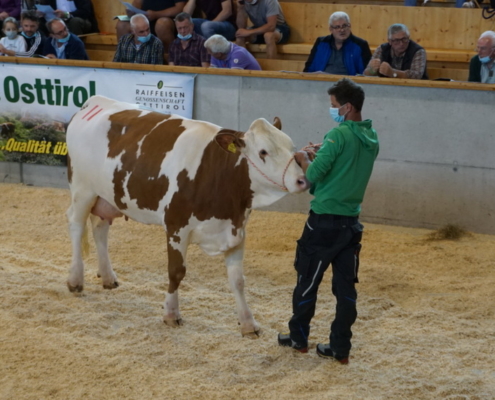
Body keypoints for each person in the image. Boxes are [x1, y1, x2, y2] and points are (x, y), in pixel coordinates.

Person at [278, 78, 379, 364]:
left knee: (307, 279)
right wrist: (323, 150)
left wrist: (302, 157)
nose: (331, 110)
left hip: (323, 222)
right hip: (351, 223)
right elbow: (345, 161)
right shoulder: (371, 137)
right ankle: (340, 347)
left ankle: (298, 338)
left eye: (334, 106)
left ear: (347, 107)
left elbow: (313, 175)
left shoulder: (338, 135)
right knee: (346, 289)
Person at [304, 12, 371, 75]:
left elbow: (365, 73)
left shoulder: (361, 45)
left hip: (348, 85)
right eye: (337, 27)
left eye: (344, 26)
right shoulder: (321, 43)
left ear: (349, 26)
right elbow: (308, 68)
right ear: (331, 29)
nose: (342, 30)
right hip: (322, 82)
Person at [116, 0, 185, 54]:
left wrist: (156, 14)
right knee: (121, 25)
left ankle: (168, 59)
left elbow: (179, 8)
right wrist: (132, 10)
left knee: (161, 24)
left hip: (167, 20)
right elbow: (137, 3)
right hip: (145, 18)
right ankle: (124, 59)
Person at [363, 23, 428, 80]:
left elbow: (416, 76)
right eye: (397, 40)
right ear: (390, 41)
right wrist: (371, 70)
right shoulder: (382, 49)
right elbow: (366, 74)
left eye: (404, 39)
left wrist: (393, 73)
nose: (401, 43)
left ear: (408, 37)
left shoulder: (418, 51)